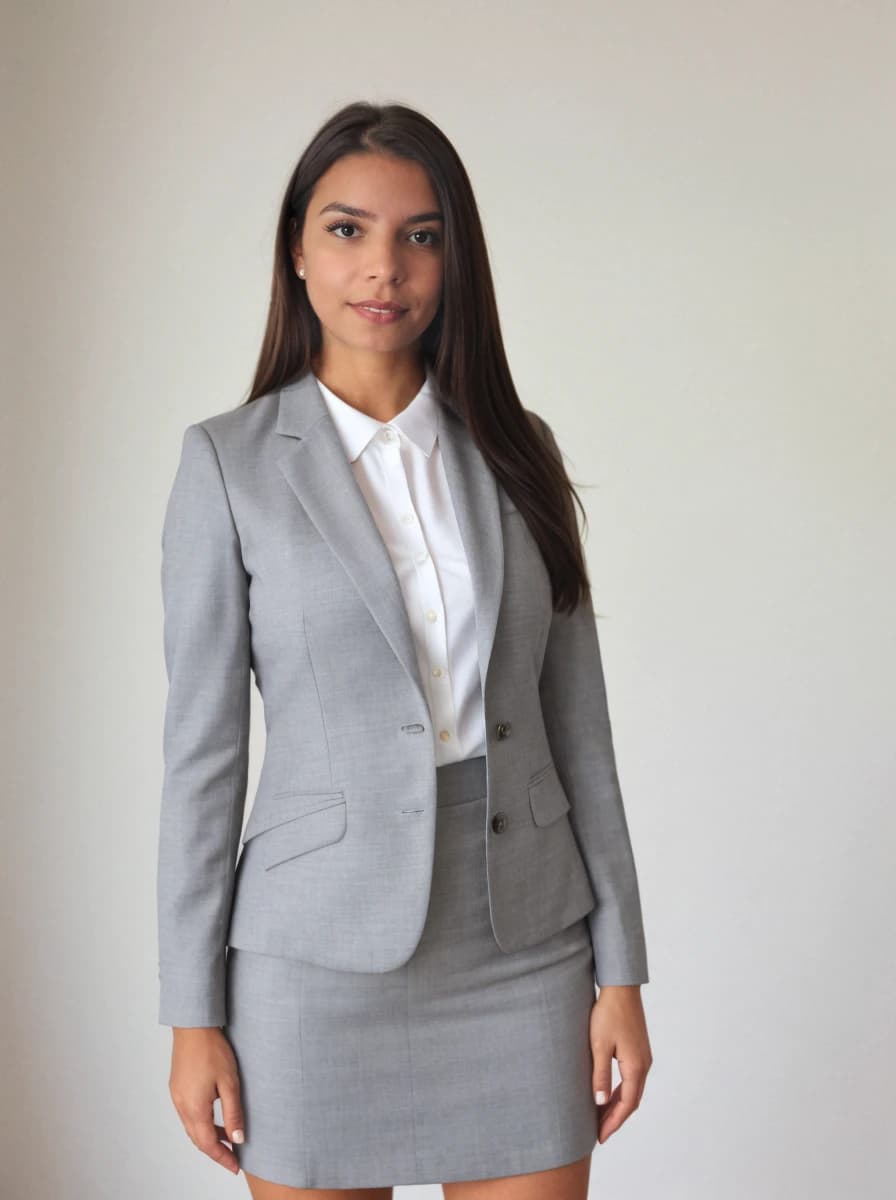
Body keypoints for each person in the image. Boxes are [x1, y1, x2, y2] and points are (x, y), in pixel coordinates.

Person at [157, 100, 653, 1200]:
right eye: (346, 230)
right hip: (310, 966)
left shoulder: (518, 455)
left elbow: (582, 734)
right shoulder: (228, 468)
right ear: (295, 249)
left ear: (452, 260)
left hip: (520, 947)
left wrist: (619, 971)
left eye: (419, 236)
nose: (383, 268)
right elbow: (203, 758)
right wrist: (192, 1015)